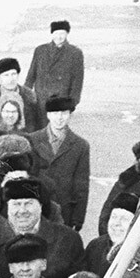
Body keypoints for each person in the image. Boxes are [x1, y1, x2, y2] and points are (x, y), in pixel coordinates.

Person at [28, 96, 90, 230]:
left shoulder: (80, 145)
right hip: (37, 206)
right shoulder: (33, 140)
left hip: (64, 210)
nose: (60, 117)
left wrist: (78, 219)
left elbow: (81, 184)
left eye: (64, 113)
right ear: (48, 115)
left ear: (70, 115)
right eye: (55, 113)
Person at [25, 20, 84, 108]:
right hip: (41, 98)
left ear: (67, 34)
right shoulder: (40, 50)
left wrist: (73, 101)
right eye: (56, 33)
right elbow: (31, 74)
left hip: (62, 100)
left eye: (62, 34)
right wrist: (26, 94)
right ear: (52, 34)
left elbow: (78, 80)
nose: (59, 37)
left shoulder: (75, 53)